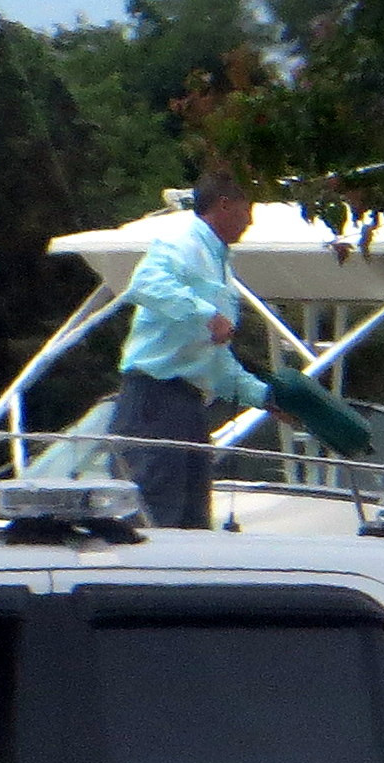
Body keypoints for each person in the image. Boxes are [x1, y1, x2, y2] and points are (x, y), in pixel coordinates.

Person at [114, 169, 278, 530]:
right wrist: (206, 315)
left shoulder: (220, 263)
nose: (250, 221)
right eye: (247, 208)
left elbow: (213, 362)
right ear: (225, 204)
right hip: (153, 401)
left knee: (192, 522)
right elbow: (145, 283)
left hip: (186, 404)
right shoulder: (183, 241)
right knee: (156, 516)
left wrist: (264, 397)